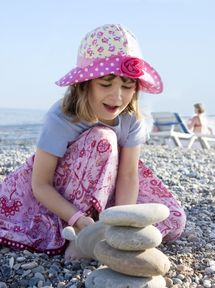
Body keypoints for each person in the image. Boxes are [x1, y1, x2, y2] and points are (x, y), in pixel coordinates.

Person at [0, 24, 186, 260]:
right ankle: (79, 235)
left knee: (174, 218)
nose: (117, 96)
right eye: (106, 84)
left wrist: (123, 222)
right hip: (59, 197)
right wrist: (78, 219)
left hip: (108, 188)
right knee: (104, 138)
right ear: (84, 83)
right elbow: (41, 184)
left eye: (127, 85)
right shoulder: (61, 117)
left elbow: (128, 176)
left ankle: (104, 230)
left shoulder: (130, 118)